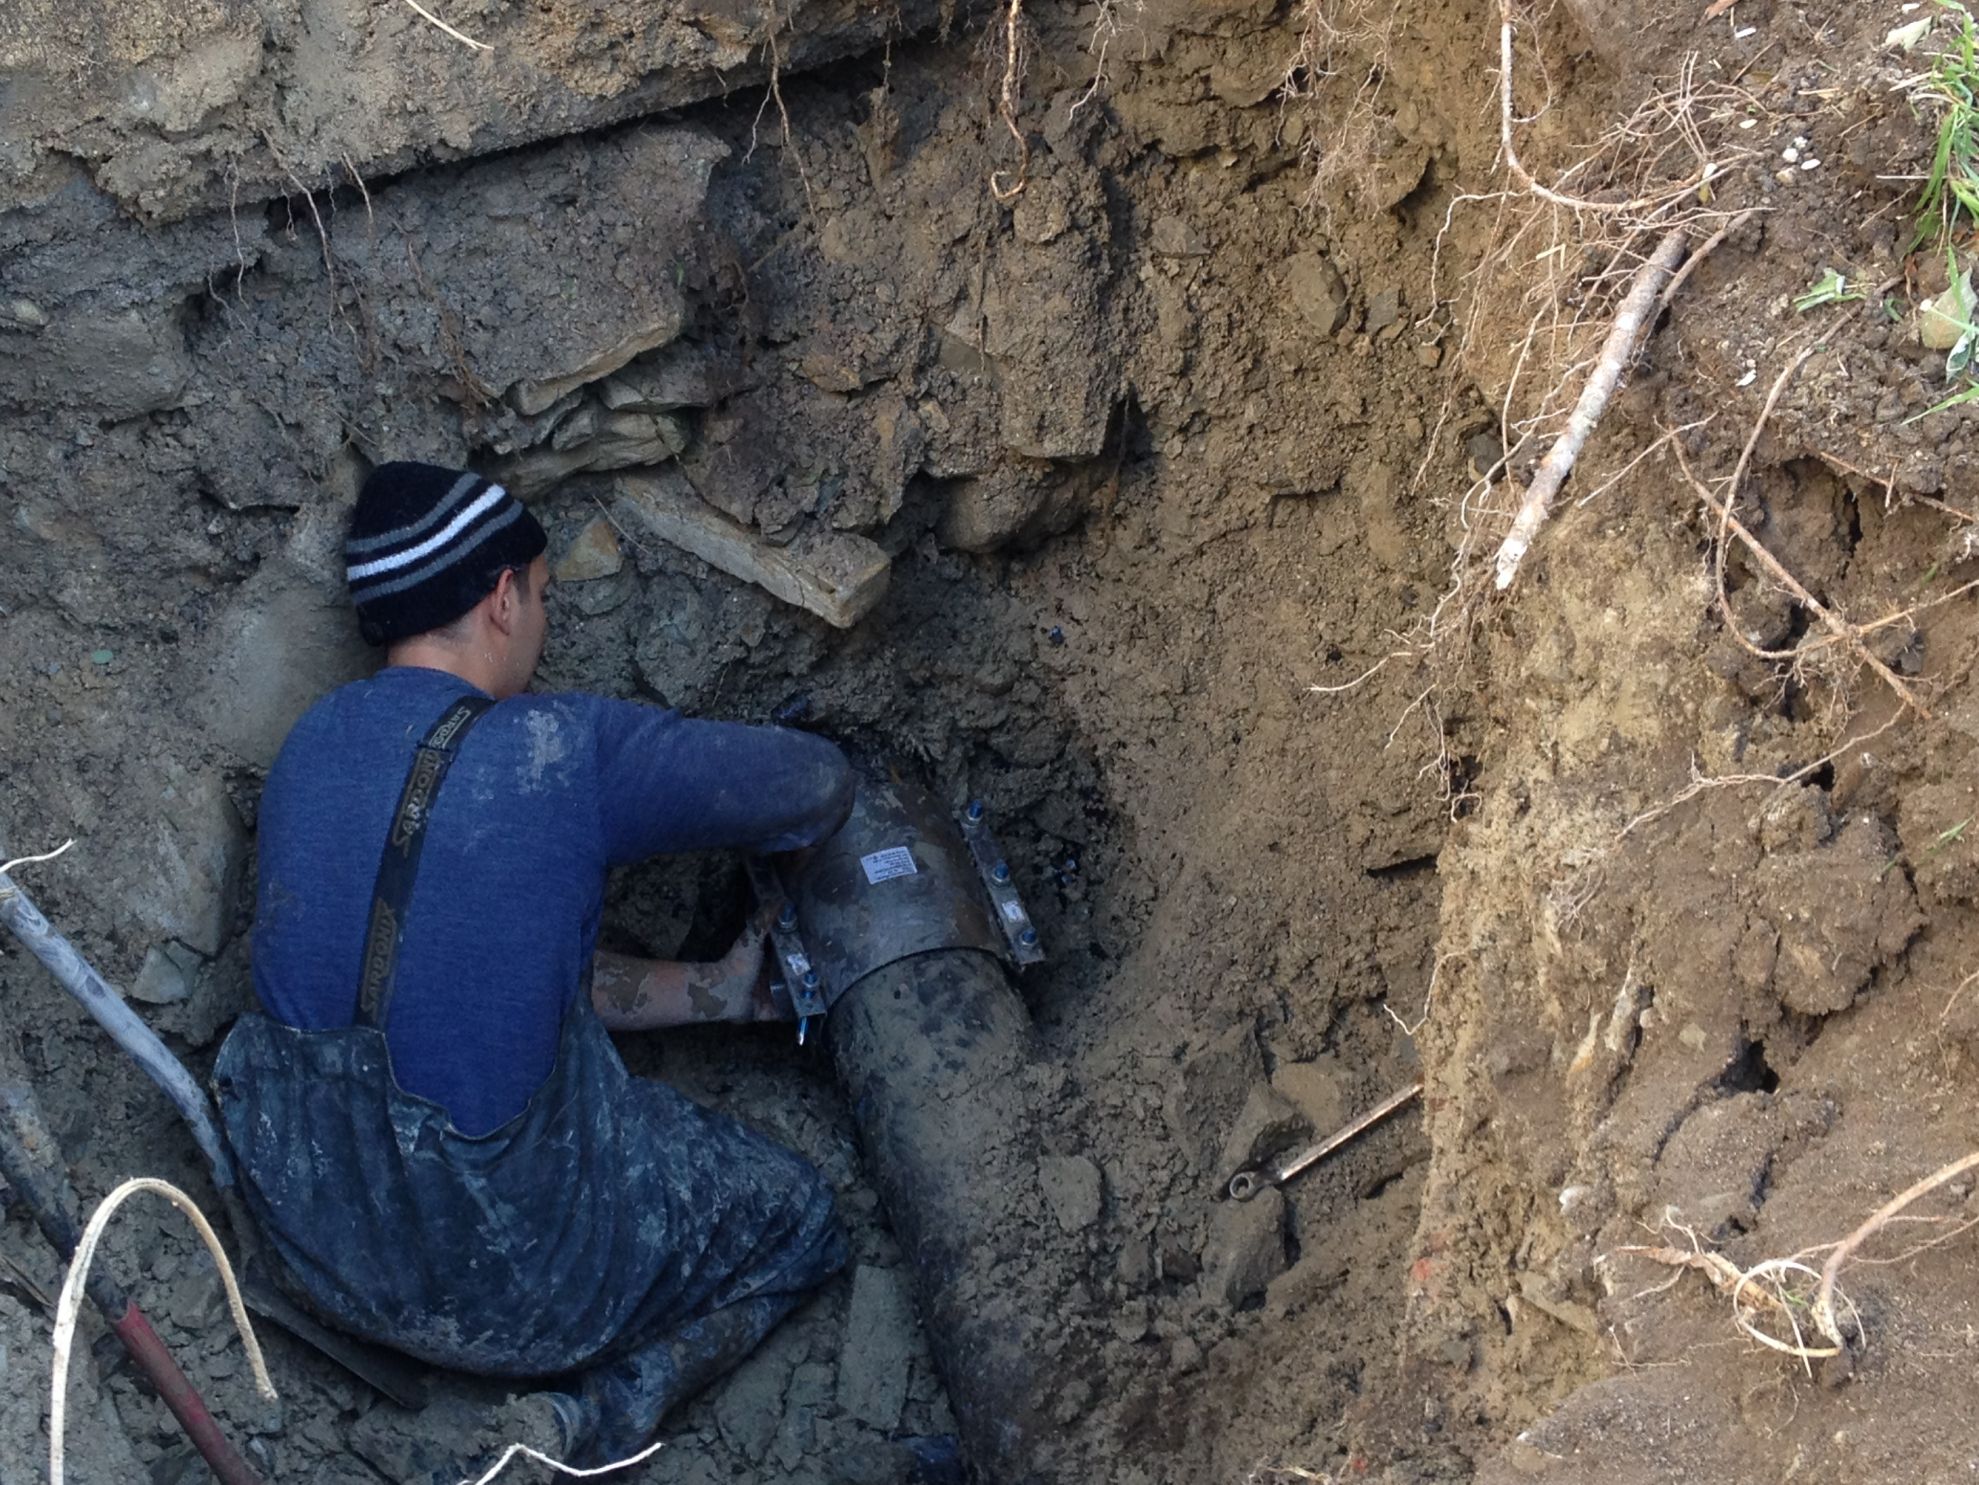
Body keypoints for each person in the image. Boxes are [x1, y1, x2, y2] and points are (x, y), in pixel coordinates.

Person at [214, 461, 852, 1466]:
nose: (543, 623)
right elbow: (811, 786)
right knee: (802, 1221)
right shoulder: (559, 749)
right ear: (502, 595)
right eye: (545, 595)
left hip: (308, 1239)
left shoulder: (309, 745)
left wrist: (711, 993)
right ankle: (578, 1422)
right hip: (514, 1284)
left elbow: (466, 973)